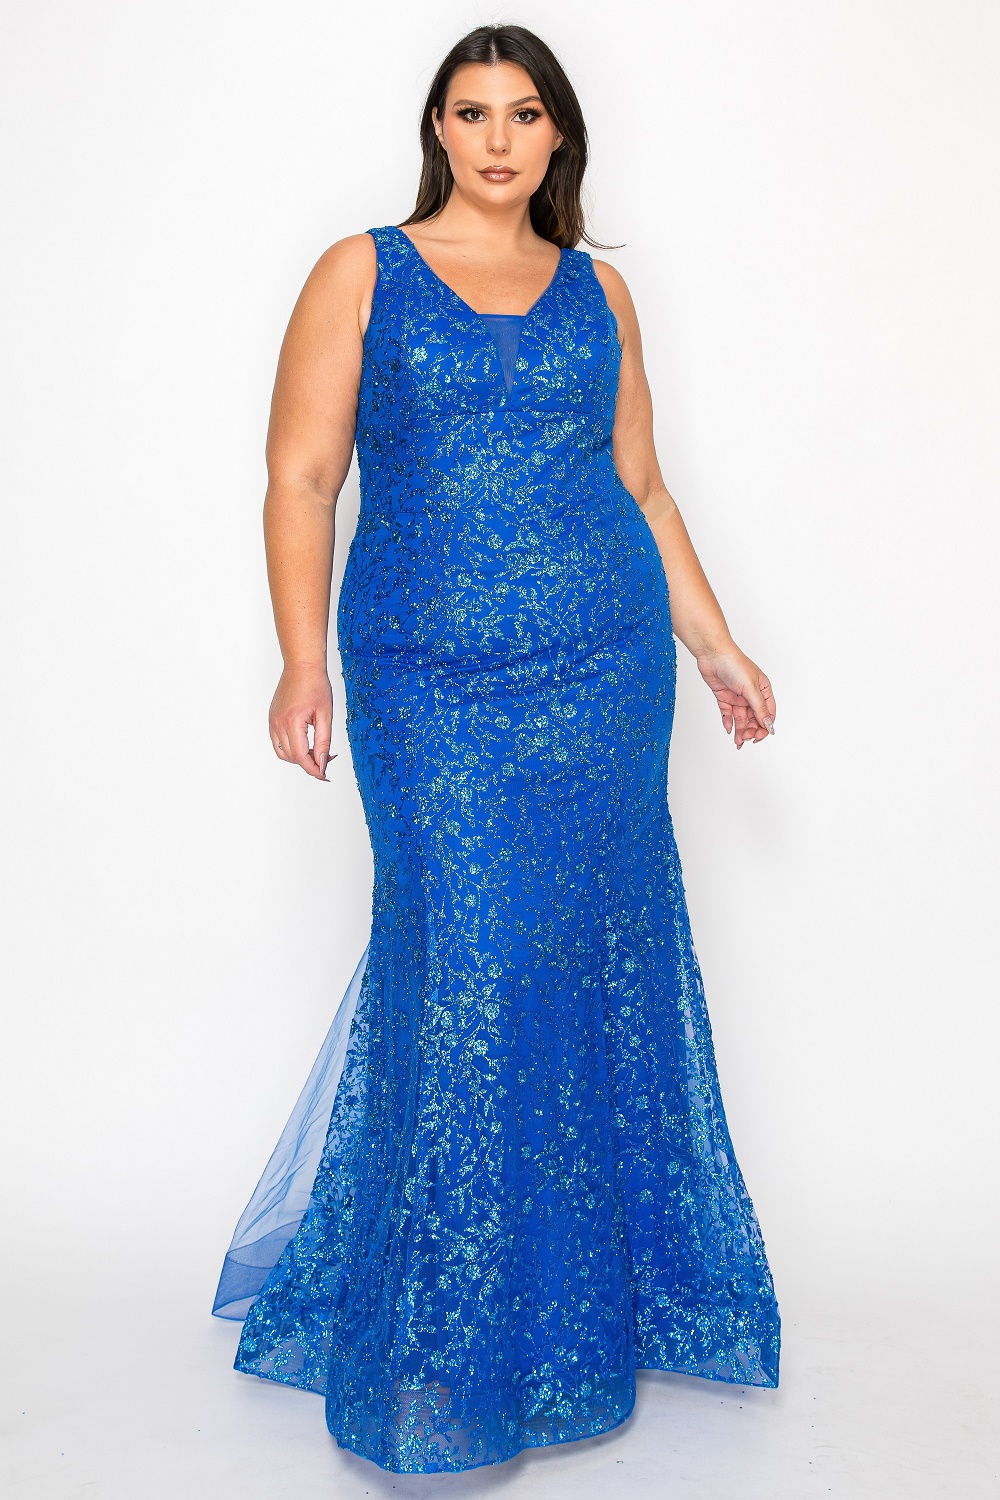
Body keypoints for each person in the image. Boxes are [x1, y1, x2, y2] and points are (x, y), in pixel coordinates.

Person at [213, 22, 781, 1475]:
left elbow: (641, 484)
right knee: (465, 960)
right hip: (424, 678)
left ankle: (570, 1321)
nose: (498, 139)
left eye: (525, 114)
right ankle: (440, 1343)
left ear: (558, 135)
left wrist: (714, 645)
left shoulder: (600, 290)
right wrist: (299, 658)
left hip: (602, 670)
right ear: (439, 130)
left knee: (573, 962)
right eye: (472, 113)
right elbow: (300, 475)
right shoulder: (362, 271)